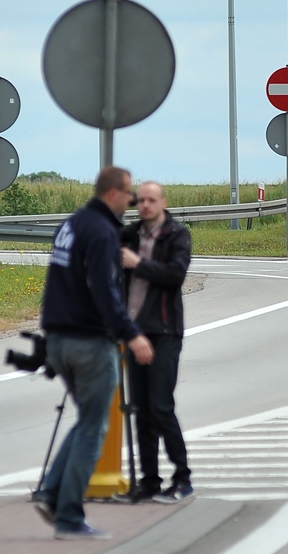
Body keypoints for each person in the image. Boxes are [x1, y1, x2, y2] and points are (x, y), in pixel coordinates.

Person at [33, 166, 154, 541]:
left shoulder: (71, 225)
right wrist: (131, 335)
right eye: (129, 193)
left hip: (57, 339)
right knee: (94, 426)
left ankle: (51, 493)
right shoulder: (102, 232)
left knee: (86, 419)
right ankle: (69, 514)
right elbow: (105, 290)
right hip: (89, 341)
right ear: (114, 193)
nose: (132, 200)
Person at [117, 181, 194, 504]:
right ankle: (149, 481)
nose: (145, 205)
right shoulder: (130, 235)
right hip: (134, 333)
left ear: (163, 202)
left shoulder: (176, 235)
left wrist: (139, 265)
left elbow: (175, 275)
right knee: (141, 409)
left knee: (161, 406)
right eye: (141, 200)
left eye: (152, 200)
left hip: (164, 331)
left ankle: (182, 478)